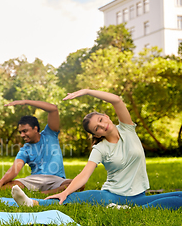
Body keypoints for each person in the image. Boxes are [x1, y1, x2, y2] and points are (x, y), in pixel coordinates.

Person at [10, 89, 182, 209]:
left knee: (178, 197)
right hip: (112, 195)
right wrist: (66, 192)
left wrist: (87, 91)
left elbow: (116, 100)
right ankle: (32, 203)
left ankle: (125, 209)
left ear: (106, 116)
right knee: (85, 196)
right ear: (96, 134)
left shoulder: (127, 129)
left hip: (139, 194)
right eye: (96, 128)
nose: (102, 126)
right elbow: (84, 175)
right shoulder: (100, 148)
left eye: (101, 120)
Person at [0, 100, 76, 195]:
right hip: (34, 180)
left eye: (25, 131)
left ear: (35, 129)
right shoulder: (25, 149)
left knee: (77, 184)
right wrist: (0, 183)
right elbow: (15, 168)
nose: (22, 135)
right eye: (20, 132)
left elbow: (53, 109)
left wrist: (25, 102)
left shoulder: (50, 134)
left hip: (56, 179)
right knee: (11, 185)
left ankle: (44, 193)